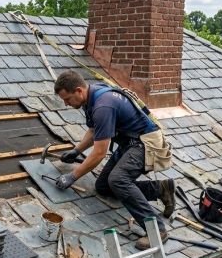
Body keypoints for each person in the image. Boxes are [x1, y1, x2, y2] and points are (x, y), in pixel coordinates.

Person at [53, 70, 175, 248]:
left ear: (79, 90)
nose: (66, 103)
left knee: (118, 179)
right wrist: (76, 151)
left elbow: (99, 153)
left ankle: (157, 230)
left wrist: (72, 176)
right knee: (103, 186)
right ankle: (160, 189)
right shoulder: (92, 96)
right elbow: (95, 130)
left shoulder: (103, 106)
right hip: (130, 143)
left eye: (67, 99)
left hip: (145, 143)